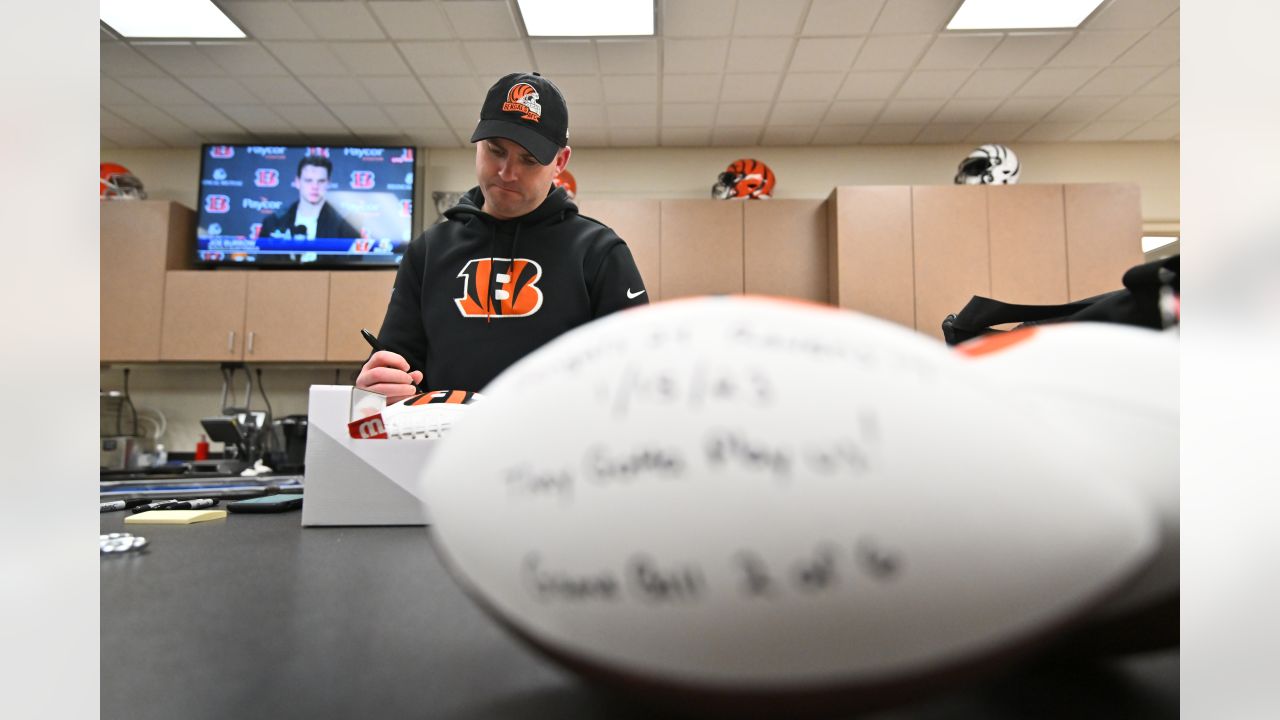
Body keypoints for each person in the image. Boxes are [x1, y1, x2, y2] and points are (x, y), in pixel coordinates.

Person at [357, 72, 649, 399]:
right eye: (495, 150)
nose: (507, 172)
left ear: (560, 162)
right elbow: (398, 370)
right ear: (478, 143)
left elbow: (636, 378)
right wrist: (380, 384)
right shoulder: (428, 252)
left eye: (528, 159)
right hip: (448, 447)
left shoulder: (599, 253)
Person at [260, 155, 361, 241]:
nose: (315, 187)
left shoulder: (345, 225)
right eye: (308, 180)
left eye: (321, 181)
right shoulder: (273, 222)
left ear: (328, 183)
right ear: (297, 182)